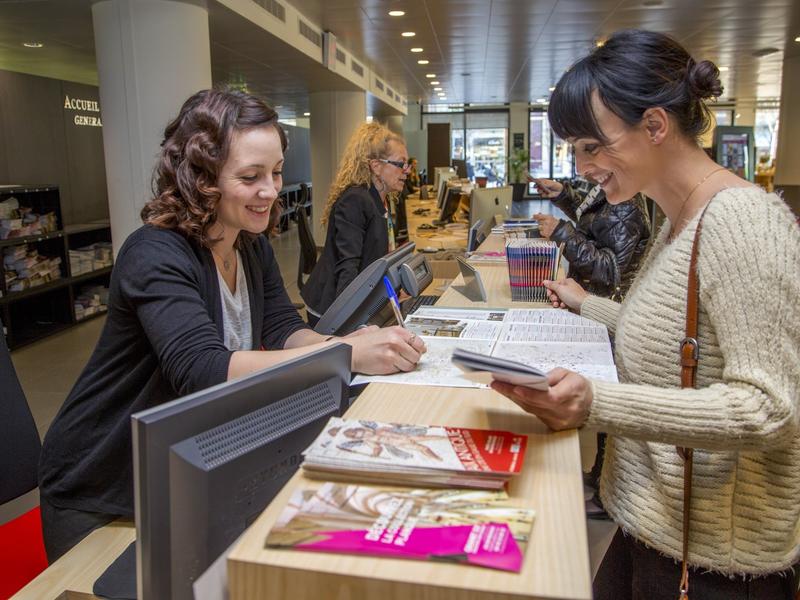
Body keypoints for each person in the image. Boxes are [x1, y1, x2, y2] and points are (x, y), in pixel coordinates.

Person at [37, 89, 426, 563]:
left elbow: (283, 327)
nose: (270, 190)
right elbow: (202, 370)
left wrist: (343, 341)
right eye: (250, 176)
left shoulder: (249, 243)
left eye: (276, 172)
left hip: (185, 470)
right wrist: (341, 354)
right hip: (106, 488)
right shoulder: (154, 253)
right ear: (201, 178)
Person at [491, 30, 800, 599]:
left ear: (655, 126)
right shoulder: (680, 218)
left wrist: (595, 402)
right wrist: (592, 308)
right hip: (654, 533)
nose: (583, 167)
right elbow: (677, 337)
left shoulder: (742, 222)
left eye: (592, 146)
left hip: (712, 565)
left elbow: (768, 407)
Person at [531, 176, 651, 520]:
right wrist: (564, 196)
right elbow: (597, 224)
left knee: (605, 403)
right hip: (597, 306)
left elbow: (610, 268)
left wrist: (560, 232)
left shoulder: (625, 202)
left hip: (610, 309)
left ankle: (604, 489)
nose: (584, 166)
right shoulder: (610, 191)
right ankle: (599, 476)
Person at [301, 122, 410, 326]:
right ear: (376, 166)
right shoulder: (356, 200)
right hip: (330, 307)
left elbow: (376, 259)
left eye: (407, 164)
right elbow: (348, 266)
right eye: (400, 164)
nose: (406, 171)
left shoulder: (380, 199)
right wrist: (352, 323)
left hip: (358, 299)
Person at [530, 178, 650, 298]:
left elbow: (608, 271)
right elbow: (594, 220)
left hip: (598, 303)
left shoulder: (625, 205)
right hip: (586, 295)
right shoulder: (611, 187)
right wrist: (563, 195)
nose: (580, 169)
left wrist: (562, 233)